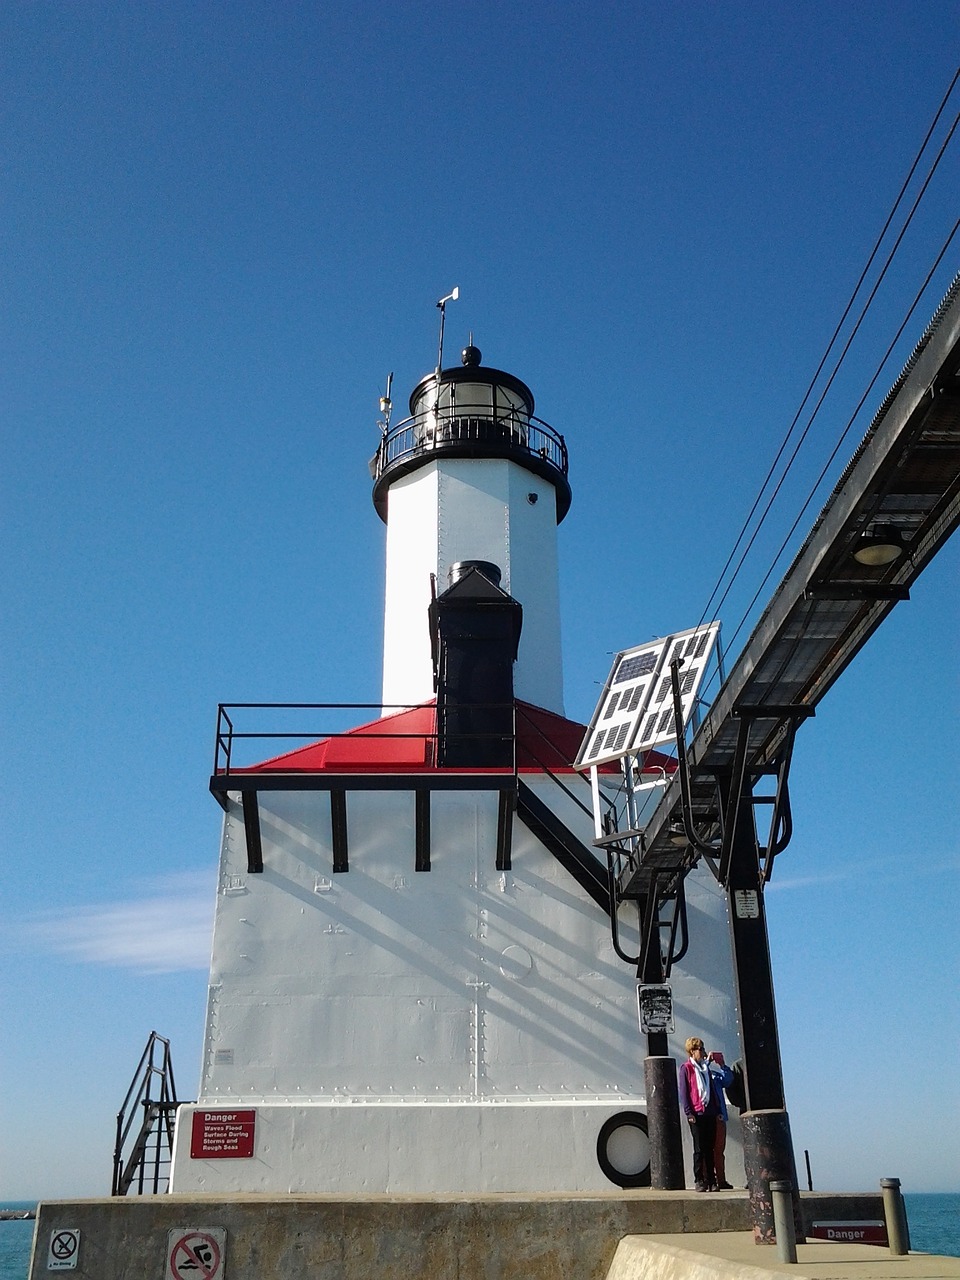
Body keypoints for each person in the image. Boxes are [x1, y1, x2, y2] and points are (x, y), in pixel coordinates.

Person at [678, 1036, 721, 1191]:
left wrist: (717, 1110)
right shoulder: (686, 1068)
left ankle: (712, 1180)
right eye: (700, 1049)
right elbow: (684, 1092)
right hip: (696, 1113)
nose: (703, 1052)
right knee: (699, 1148)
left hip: (709, 1112)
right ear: (693, 1051)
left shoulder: (705, 1068)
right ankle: (699, 1179)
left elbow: (711, 1089)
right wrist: (689, 1112)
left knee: (710, 1148)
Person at [707, 1050, 735, 1190]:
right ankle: (708, 1179)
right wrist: (706, 1062)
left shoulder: (715, 1076)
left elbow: (728, 1080)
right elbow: (698, 1076)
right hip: (706, 1116)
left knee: (719, 1150)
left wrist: (722, 1064)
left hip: (719, 1116)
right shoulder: (701, 1072)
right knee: (707, 1150)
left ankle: (721, 1180)